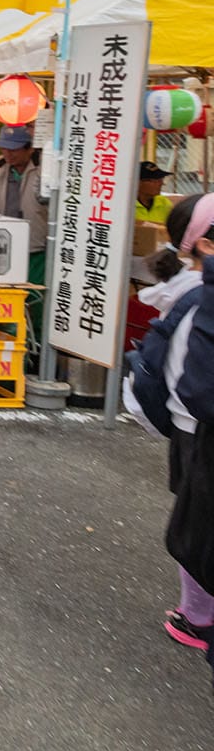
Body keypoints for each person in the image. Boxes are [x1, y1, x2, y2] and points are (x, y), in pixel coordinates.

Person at [127, 196, 214, 656]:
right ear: (201, 242)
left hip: (188, 425)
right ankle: (198, 616)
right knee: (196, 520)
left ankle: (198, 614)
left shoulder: (184, 288)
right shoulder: (199, 294)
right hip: (196, 428)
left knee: (194, 515)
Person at [0, 125, 48, 285]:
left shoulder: (45, 168)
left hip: (35, 247)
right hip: (3, 245)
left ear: (30, 149)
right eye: (4, 148)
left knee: (34, 294)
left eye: (14, 149)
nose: (7, 154)